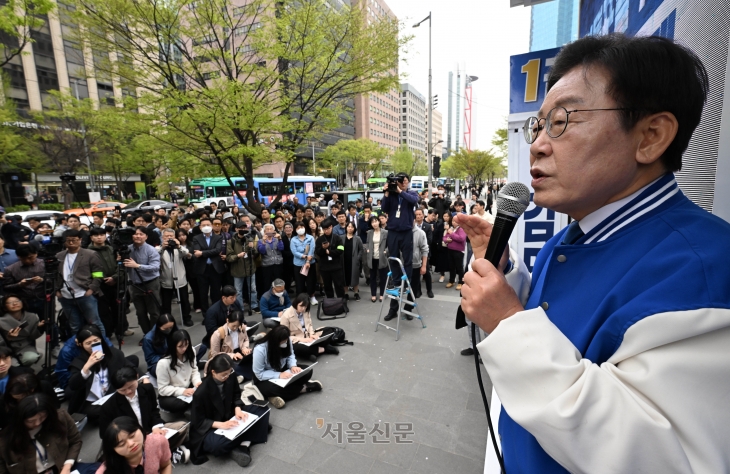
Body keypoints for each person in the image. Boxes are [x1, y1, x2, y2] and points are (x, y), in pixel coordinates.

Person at [458, 34, 730, 473]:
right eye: (538, 125)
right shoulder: (567, 239)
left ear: (651, 136)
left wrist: (506, 323)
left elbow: (662, 457)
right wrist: (505, 278)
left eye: (562, 121)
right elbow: (556, 320)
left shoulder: (707, 269)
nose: (538, 144)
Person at [189, 354, 270, 466]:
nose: (227, 376)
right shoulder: (200, 393)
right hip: (213, 427)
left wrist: (237, 408)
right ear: (213, 372)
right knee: (215, 445)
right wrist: (221, 425)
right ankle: (249, 436)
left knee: (263, 409)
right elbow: (198, 422)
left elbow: (237, 394)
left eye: (229, 372)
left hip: (230, 415)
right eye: (223, 375)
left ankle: (242, 445)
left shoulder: (231, 376)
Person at [98, 368, 190, 460]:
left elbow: (154, 411)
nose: (128, 392)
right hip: (130, 442)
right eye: (123, 390)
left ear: (137, 377)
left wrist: (156, 427)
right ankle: (164, 453)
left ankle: (152, 455)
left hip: (150, 432)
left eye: (131, 386)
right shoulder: (108, 407)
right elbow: (105, 435)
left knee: (182, 426)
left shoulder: (147, 389)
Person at [0, 393, 98, 474]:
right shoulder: (5, 440)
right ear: (20, 419)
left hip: (62, 467)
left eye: (42, 417)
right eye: (31, 421)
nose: (37, 423)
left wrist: (67, 466)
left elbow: (75, 441)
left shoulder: (60, 418)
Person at [66, 325, 138, 420]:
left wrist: (144, 378)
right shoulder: (78, 362)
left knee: (134, 390)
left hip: (112, 392)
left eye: (96, 341)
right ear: (81, 344)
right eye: (88, 343)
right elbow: (73, 385)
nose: (93, 345)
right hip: (94, 400)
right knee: (94, 413)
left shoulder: (112, 353)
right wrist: (86, 367)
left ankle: (118, 409)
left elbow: (129, 365)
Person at [252, 325, 321, 409]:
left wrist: (293, 366)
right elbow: (259, 373)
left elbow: (290, 354)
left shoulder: (287, 340)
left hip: (283, 369)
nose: (285, 344)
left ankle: (277, 395)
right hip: (266, 377)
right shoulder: (260, 349)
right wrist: (279, 375)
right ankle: (305, 388)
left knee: (307, 371)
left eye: (286, 341)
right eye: (282, 342)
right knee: (272, 389)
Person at [55, 229, 107, 338]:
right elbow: (54, 275)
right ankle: (81, 348)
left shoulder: (90, 254)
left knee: (95, 323)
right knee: (74, 325)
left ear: (80, 240)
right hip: (66, 295)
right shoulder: (59, 256)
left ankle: (103, 347)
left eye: (74, 240)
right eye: (68, 240)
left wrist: (91, 289)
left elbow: (98, 273)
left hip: (84, 294)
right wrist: (57, 291)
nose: (70, 243)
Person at [97, 416, 171, 474]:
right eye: (121, 444)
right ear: (113, 449)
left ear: (140, 428)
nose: (131, 444)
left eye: (132, 436)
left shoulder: (158, 441)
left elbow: (166, 465)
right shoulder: (106, 471)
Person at [125, 227, 162, 338]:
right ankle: (147, 335)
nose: (138, 236)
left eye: (141, 234)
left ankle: (155, 335)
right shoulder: (127, 249)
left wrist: (138, 266)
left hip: (150, 283)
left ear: (146, 236)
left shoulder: (151, 250)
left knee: (154, 312)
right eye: (136, 234)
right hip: (134, 285)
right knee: (140, 313)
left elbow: (155, 267)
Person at [156, 330, 202, 416]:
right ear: (173, 346)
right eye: (180, 346)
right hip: (170, 394)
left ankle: (191, 408)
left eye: (186, 345)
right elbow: (162, 389)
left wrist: (197, 382)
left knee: (206, 385)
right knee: (179, 404)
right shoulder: (163, 363)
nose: (184, 348)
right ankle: (193, 408)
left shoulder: (190, 351)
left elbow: (194, 370)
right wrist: (182, 391)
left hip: (189, 387)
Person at [279, 294, 338, 359]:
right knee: (297, 348)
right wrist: (302, 340)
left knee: (329, 331)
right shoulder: (286, 315)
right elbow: (285, 336)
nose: (303, 308)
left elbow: (309, 325)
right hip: (297, 340)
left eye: (305, 306)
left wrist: (312, 334)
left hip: (308, 337)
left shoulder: (306, 311)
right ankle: (324, 349)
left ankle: (314, 352)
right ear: (296, 303)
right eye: (301, 306)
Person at [87, 228, 122, 338]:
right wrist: (101, 279)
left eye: (102, 234)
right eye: (96, 235)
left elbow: (119, 264)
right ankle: (107, 332)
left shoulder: (111, 249)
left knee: (118, 309)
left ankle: (120, 330)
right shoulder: (88, 252)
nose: (99, 237)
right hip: (99, 286)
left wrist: (115, 277)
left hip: (115, 283)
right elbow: (90, 270)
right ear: (91, 237)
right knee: (103, 311)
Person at [158, 228, 192, 327]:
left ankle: (187, 318)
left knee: (185, 301)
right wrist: (162, 248)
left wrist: (178, 246)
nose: (169, 238)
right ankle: (167, 321)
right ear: (162, 237)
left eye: (171, 236)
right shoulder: (158, 249)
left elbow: (188, 254)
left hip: (180, 279)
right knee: (166, 304)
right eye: (166, 236)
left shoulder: (178, 248)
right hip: (166, 281)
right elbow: (155, 256)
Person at [192, 217, 226, 313]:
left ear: (211, 226)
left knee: (216, 292)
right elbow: (196, 251)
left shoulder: (218, 237)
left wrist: (202, 253)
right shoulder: (196, 238)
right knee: (203, 293)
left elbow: (218, 250)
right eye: (203, 225)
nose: (206, 227)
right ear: (200, 227)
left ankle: (217, 313)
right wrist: (211, 252)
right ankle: (206, 314)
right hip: (202, 269)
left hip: (215, 268)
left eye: (208, 225)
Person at [1, 245, 45, 316]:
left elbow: (55, 281)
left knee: (47, 321)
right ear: (18, 257)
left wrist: (42, 280)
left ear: (36, 254)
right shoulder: (10, 269)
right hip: (24, 302)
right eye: (23, 259)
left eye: (30, 258)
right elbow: (6, 287)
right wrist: (20, 284)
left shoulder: (44, 264)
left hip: (44, 299)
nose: (27, 261)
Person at [207, 310, 252, 380]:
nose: (235, 328)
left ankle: (241, 377)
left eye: (237, 326)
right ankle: (238, 376)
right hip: (225, 358)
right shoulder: (218, 334)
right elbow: (215, 354)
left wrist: (245, 348)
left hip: (240, 354)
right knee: (234, 368)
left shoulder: (242, 328)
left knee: (252, 360)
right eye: (233, 326)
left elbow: (246, 339)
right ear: (227, 321)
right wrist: (232, 355)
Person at [0, 294, 43, 366]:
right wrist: (8, 338)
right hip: (6, 348)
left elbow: (33, 337)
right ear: (5, 307)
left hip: (25, 346)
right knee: (10, 365)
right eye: (10, 302)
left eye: (17, 301)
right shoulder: (1, 321)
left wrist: (40, 328)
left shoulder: (32, 316)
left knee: (31, 357)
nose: (15, 303)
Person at [226, 221, 259, 313]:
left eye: (245, 228)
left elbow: (255, 254)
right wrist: (238, 256)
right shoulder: (231, 242)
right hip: (237, 270)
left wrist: (252, 248)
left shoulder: (249, 239)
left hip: (250, 269)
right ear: (236, 229)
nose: (243, 230)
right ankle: (240, 307)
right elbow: (229, 257)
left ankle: (254, 305)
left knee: (253, 289)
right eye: (241, 228)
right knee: (238, 291)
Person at [315, 219, 345, 299]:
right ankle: (330, 303)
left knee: (339, 285)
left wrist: (330, 252)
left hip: (336, 266)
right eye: (324, 229)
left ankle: (341, 302)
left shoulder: (337, 238)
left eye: (328, 228)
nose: (326, 231)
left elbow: (341, 250)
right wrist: (323, 248)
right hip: (324, 267)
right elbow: (317, 252)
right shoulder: (319, 240)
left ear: (331, 227)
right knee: (327, 286)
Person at [290, 221, 317, 306]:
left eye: (302, 227)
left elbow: (312, 249)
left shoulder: (310, 238)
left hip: (310, 263)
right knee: (299, 282)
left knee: (311, 281)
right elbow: (294, 252)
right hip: (298, 264)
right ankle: (300, 300)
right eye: (298, 228)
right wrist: (304, 257)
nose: (300, 229)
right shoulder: (293, 239)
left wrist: (308, 261)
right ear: (295, 229)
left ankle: (312, 297)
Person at [142, 314, 178, 379]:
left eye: (171, 327)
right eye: (166, 329)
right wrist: (167, 358)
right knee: (165, 372)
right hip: (158, 363)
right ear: (159, 327)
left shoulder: (174, 329)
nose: (169, 330)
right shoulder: (148, 339)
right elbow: (150, 359)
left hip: (175, 358)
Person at [177, 229, 202, 314]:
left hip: (191, 269)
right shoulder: (175, 246)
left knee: (196, 288)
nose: (182, 237)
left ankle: (197, 305)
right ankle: (185, 307)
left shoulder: (191, 244)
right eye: (179, 235)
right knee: (183, 290)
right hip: (180, 269)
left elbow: (196, 256)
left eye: (183, 235)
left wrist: (190, 256)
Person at [364, 215, 388, 302]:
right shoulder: (370, 232)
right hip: (372, 257)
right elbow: (367, 242)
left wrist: (386, 251)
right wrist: (367, 249)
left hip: (382, 257)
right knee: (372, 276)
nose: (374, 223)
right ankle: (373, 294)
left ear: (379, 222)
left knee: (383, 277)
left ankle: (382, 294)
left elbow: (389, 244)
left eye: (376, 221)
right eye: (372, 222)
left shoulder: (385, 232)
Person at [256, 224, 284, 293]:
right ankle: (268, 298)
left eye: (270, 229)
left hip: (277, 264)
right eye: (267, 229)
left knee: (278, 282)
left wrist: (280, 239)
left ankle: (279, 296)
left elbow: (281, 248)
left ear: (273, 231)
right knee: (267, 283)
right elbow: (262, 251)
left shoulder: (277, 239)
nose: (269, 231)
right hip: (267, 265)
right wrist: (264, 242)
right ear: (264, 231)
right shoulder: (260, 241)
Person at [442, 212, 465, 290]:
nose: (454, 223)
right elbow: (444, 237)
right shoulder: (451, 228)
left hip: (458, 251)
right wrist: (446, 240)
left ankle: (461, 282)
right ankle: (451, 281)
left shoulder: (461, 229)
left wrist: (451, 234)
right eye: (453, 221)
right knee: (451, 267)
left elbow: (461, 238)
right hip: (450, 250)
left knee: (459, 267)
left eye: (455, 221)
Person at [414, 209, 434, 298]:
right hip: (415, 254)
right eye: (416, 214)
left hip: (424, 252)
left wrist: (421, 243)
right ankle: (418, 290)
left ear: (423, 215)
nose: (418, 216)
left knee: (426, 272)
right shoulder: (412, 227)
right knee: (416, 273)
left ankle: (429, 290)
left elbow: (429, 240)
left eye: (420, 214)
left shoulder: (428, 226)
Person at [342, 222, 363, 301]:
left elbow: (361, 249)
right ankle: (346, 293)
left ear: (354, 229)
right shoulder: (341, 238)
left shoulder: (357, 238)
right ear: (346, 228)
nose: (350, 228)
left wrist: (358, 258)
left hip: (354, 261)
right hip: (344, 260)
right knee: (345, 277)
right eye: (348, 226)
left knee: (355, 277)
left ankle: (356, 293)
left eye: (352, 227)